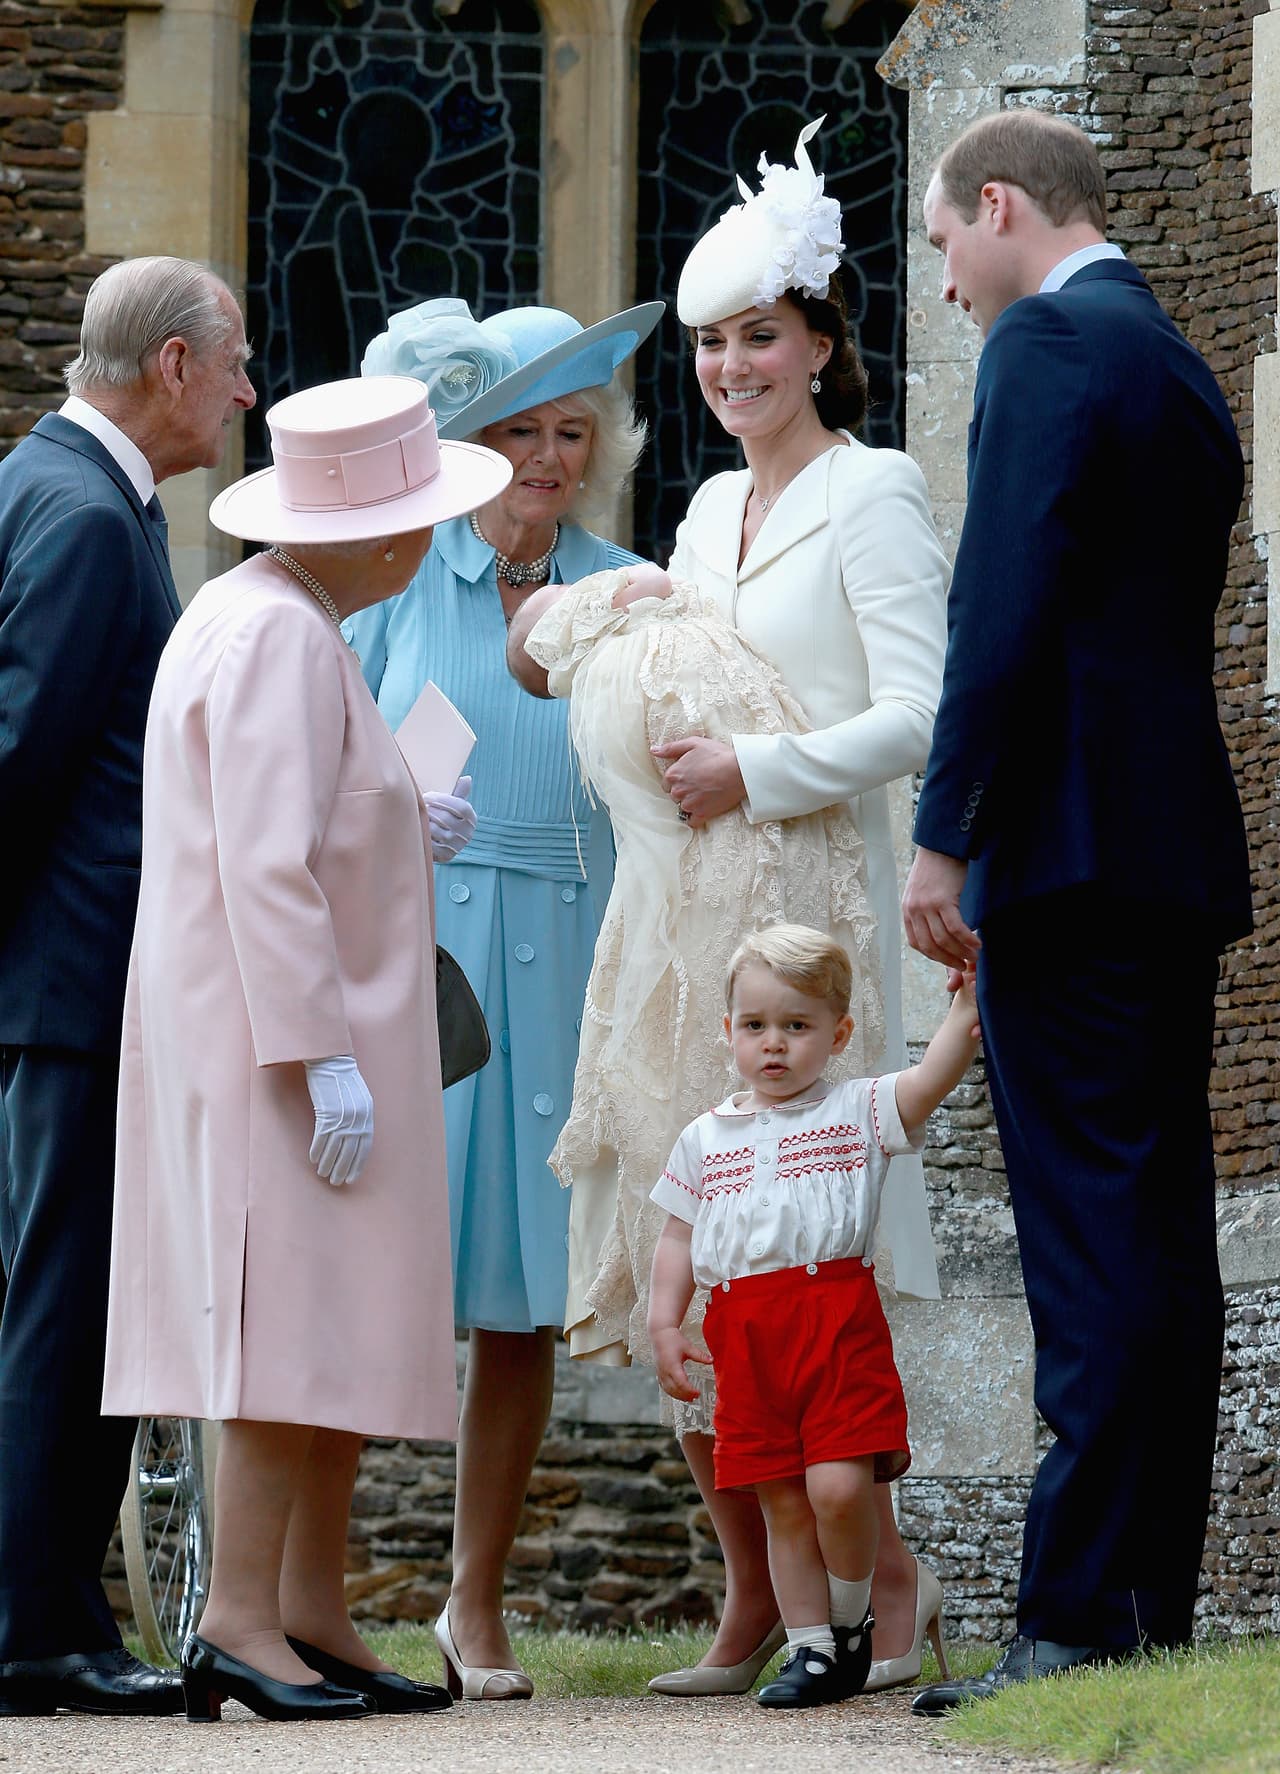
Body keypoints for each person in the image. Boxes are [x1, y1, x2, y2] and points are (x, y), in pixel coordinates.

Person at [511, 118, 951, 1694]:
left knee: (797, 1261)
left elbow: (920, 710)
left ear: (824, 341)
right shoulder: (700, 515)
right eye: (708, 343)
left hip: (801, 907)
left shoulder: (877, 491)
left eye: (759, 334)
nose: (731, 366)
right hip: (675, 911)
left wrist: (754, 771)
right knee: (686, 1245)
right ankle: (752, 1600)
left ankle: (883, 1588)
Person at [902, 110, 1251, 1709]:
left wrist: (944, 833)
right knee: (1161, 1230)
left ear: (999, 206)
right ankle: (1143, 1603)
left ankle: (1076, 1618)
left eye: (944, 239)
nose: (947, 274)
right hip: (1170, 845)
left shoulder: (1047, 342)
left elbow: (1005, 597)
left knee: (1092, 1233)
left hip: (1068, 841)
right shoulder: (1175, 360)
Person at [100, 375, 512, 1723]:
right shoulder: (276, 633)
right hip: (282, 1041)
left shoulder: (278, 617)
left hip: (301, 1029)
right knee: (282, 1324)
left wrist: (403, 813)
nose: (426, 542)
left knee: (328, 1322)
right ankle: (237, 1619)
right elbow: (266, 867)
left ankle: (309, 1605)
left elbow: (308, 815)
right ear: (374, 532)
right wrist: (316, 1050)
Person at [347, 295, 661, 1700]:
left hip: (584, 960)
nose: (546, 455)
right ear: (470, 441)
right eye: (520, 429)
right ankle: (309, 1588)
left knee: (523, 1309)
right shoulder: (397, 583)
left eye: (571, 431)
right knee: (368, 1280)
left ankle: (473, 1607)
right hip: (425, 966)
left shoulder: (631, 588)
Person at [0, 256, 254, 1717]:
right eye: (232, 365)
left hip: (58, 982)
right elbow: (24, 754)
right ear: (169, 366)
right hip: (73, 983)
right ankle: (38, 1625)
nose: (242, 393)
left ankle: (40, 1606)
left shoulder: (46, 482)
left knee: (52, 1298)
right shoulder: (93, 517)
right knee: (66, 1307)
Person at [649, 926, 978, 1709]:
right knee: (781, 1502)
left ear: (837, 1034)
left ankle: (850, 1620)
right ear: (728, 1032)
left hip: (834, 1325)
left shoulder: (857, 1110)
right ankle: (810, 1653)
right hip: (745, 1336)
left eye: (797, 1027)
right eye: (756, 1026)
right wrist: (666, 1323)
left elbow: (933, 1076)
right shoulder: (705, 1138)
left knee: (838, 1489)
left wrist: (967, 1005)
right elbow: (677, 1235)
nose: (774, 1045)